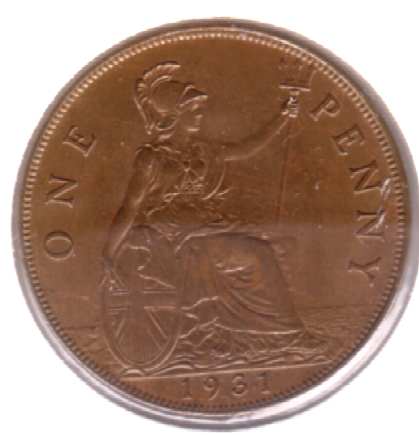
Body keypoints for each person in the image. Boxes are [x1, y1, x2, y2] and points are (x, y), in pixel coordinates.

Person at [102, 62, 330, 372]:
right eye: (193, 109)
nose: (199, 115)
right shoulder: (152, 157)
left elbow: (246, 148)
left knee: (261, 249)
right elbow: (130, 205)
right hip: (165, 241)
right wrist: (109, 251)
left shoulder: (202, 151)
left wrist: (281, 118)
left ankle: (275, 332)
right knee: (242, 252)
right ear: (174, 115)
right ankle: (285, 335)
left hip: (203, 228)